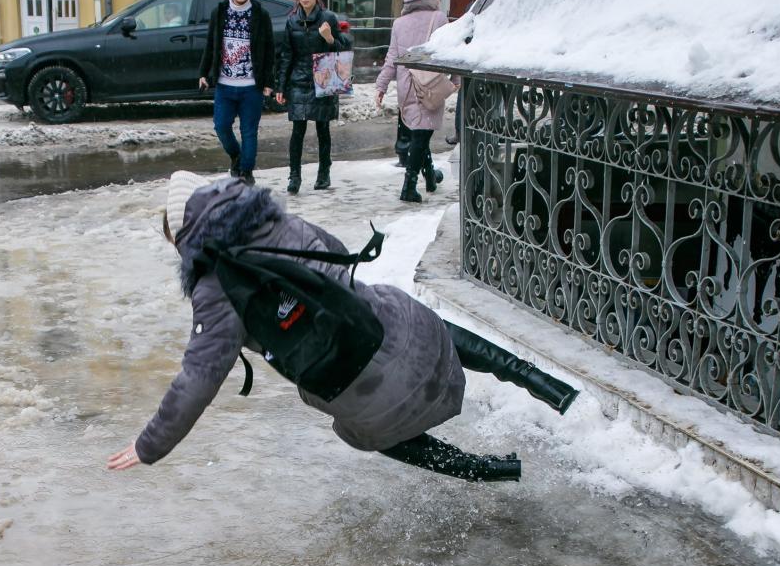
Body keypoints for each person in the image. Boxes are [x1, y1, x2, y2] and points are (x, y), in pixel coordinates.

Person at [108, 173, 578, 479]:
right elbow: (338, 262)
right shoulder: (281, 223)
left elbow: (198, 378)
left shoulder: (214, 290)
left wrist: (149, 445)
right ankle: (548, 386)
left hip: (361, 394)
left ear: (186, 236)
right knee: (412, 318)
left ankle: (483, 470)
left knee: (361, 427)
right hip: (401, 335)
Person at [375, 0, 457, 203]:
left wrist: (381, 85)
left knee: (420, 135)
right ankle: (408, 187)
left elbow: (392, 57)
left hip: (406, 84)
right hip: (429, 83)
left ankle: (430, 176)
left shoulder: (399, 23)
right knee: (421, 136)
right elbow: (449, 52)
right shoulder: (438, 18)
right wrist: (457, 80)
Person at [275, 0, 350, 194]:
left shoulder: (328, 18)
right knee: (297, 130)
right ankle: (294, 176)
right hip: (299, 79)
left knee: (322, 128)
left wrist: (329, 38)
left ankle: (324, 173)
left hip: (323, 78)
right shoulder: (292, 21)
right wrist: (281, 86)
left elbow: (343, 49)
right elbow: (286, 55)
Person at [198, 0, 275, 186]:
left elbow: (269, 49)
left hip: (251, 86)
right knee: (221, 126)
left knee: (249, 131)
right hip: (225, 84)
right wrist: (203, 73)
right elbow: (211, 44)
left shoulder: (260, 14)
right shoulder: (220, 11)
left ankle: (246, 173)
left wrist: (268, 82)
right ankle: (237, 157)